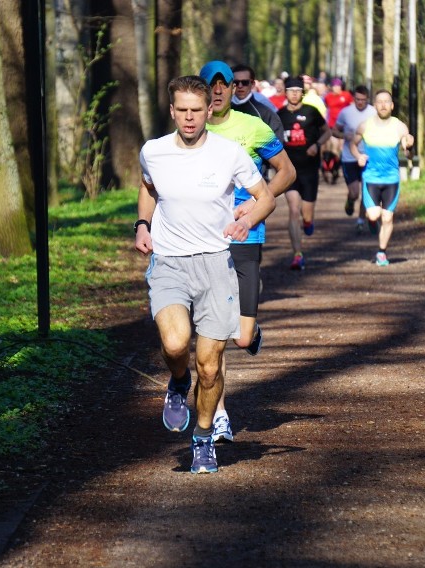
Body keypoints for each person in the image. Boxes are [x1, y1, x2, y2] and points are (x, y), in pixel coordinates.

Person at [136, 75, 275, 473]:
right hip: (170, 262)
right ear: (172, 111)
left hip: (216, 263)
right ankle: (178, 382)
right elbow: (148, 187)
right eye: (182, 110)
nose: (190, 118)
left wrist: (248, 220)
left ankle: (202, 439)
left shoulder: (229, 153)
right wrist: (142, 225)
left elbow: (265, 198)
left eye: (197, 110)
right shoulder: (154, 151)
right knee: (176, 344)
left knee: (211, 366)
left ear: (209, 109)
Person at [198, 60, 296, 442]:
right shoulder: (190, 130)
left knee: (240, 337)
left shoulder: (253, 126)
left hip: (246, 237)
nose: (220, 89)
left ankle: (251, 332)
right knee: (213, 334)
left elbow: (286, 171)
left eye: (225, 84)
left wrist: (256, 208)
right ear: (203, 89)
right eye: (213, 84)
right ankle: (219, 412)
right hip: (205, 240)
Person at [348, 89, 414, 267]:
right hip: (371, 178)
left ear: (392, 106)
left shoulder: (399, 126)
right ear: (375, 105)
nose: (383, 105)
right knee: (374, 214)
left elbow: (407, 150)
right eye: (380, 102)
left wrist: (408, 146)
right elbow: (352, 144)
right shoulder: (365, 125)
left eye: (387, 102)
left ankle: (382, 252)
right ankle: (370, 220)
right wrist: (358, 156)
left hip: (392, 178)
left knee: (387, 218)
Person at [278, 76, 331, 270]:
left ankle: (308, 222)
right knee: (293, 209)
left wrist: (317, 145)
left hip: (309, 169)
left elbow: (328, 132)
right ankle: (297, 254)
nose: (294, 93)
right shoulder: (279, 115)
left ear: (303, 92)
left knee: (306, 214)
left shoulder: (312, 112)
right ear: (285, 92)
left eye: (297, 90)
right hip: (289, 170)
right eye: (290, 90)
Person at [332, 85, 376, 233]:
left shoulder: (373, 112)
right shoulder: (346, 113)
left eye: (363, 100)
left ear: (367, 99)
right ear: (354, 98)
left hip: (368, 157)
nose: (360, 102)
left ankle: (360, 220)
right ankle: (350, 201)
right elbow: (334, 130)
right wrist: (344, 136)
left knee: (366, 191)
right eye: (357, 99)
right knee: (355, 192)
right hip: (349, 157)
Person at [230, 64, 284, 141]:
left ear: (252, 84)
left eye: (245, 82)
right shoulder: (223, 110)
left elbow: (277, 145)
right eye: (236, 82)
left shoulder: (266, 113)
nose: (240, 86)